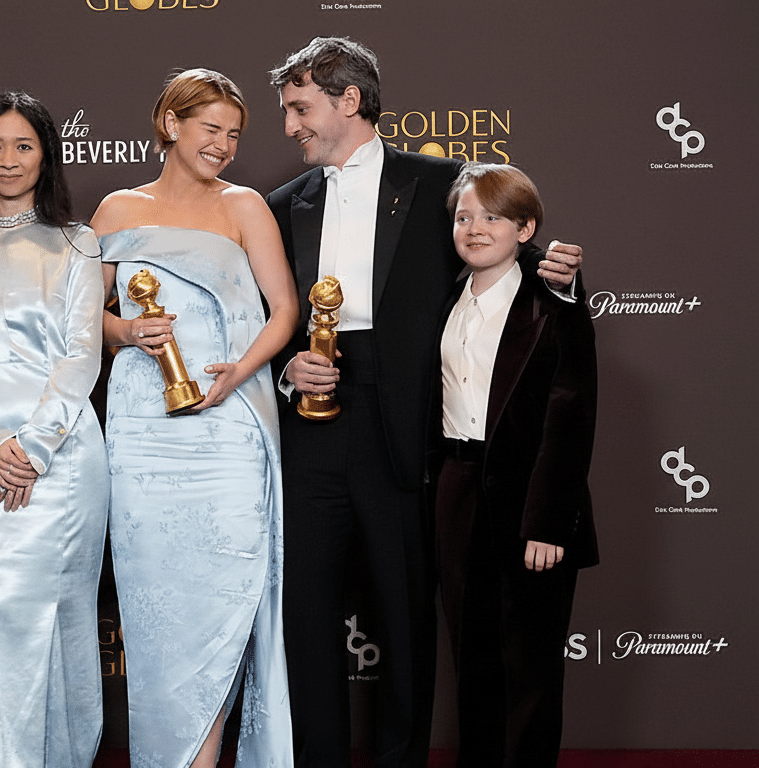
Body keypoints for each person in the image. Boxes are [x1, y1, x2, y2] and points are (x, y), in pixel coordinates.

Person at [264, 37, 584, 768]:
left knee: (405, 613)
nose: (289, 127)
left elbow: (514, 268)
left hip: (406, 430)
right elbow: (261, 316)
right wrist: (288, 369)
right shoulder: (281, 206)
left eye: (300, 108)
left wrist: (562, 281)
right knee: (306, 614)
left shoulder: (441, 183)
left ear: (349, 101)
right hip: (309, 430)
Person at [91, 68, 299, 768]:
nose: (224, 145)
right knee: (159, 613)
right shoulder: (117, 209)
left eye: (235, 135)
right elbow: (81, 319)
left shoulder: (244, 207)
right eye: (211, 128)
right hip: (144, 430)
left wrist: (239, 373)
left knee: (224, 603)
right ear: (171, 124)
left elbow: (287, 312)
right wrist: (125, 335)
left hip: (229, 427)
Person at [0, 91, 108, 768]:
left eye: (24, 146)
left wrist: (31, 448)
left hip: (60, 462)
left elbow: (80, 355)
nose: (8, 160)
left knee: (50, 619)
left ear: (47, 157)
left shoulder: (76, 243)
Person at [433, 163, 597, 768]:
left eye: (493, 217)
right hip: (456, 492)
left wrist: (549, 522)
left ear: (526, 228)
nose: (475, 228)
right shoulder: (446, 296)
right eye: (464, 216)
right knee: (471, 665)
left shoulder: (552, 298)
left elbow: (571, 410)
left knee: (528, 672)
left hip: (530, 500)